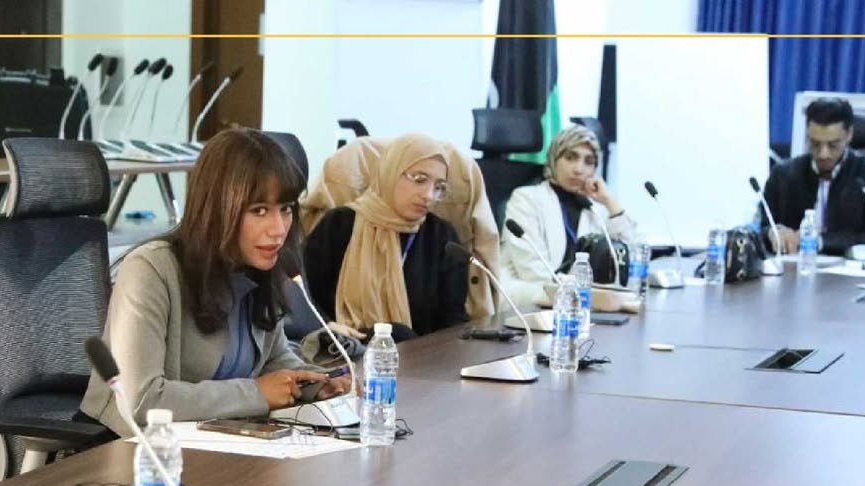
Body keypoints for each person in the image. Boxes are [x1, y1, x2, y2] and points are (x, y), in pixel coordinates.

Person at [80, 128, 350, 436]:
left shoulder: (258, 265)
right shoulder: (151, 269)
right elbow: (141, 400)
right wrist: (256, 393)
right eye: (259, 211)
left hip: (215, 442)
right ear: (217, 209)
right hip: (128, 448)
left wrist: (318, 383)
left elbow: (274, 360)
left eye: (285, 209)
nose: (278, 229)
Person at [302, 133, 469, 338]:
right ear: (390, 172)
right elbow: (304, 299)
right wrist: (328, 327)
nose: (428, 195)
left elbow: (453, 320)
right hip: (343, 347)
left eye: (438, 187)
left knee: (400, 334)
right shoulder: (338, 225)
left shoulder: (441, 237)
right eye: (419, 180)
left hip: (419, 353)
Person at [500, 124, 634, 305]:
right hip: (528, 299)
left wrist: (610, 202)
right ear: (554, 159)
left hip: (576, 300)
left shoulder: (594, 207)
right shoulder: (526, 199)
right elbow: (531, 269)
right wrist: (575, 291)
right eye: (570, 157)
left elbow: (623, 262)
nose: (579, 169)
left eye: (588, 162)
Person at [760, 97, 865, 256]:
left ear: (849, 134)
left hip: (848, 269)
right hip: (793, 266)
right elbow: (760, 227)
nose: (823, 154)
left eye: (833, 145)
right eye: (815, 144)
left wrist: (819, 241)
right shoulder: (783, 175)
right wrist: (773, 232)